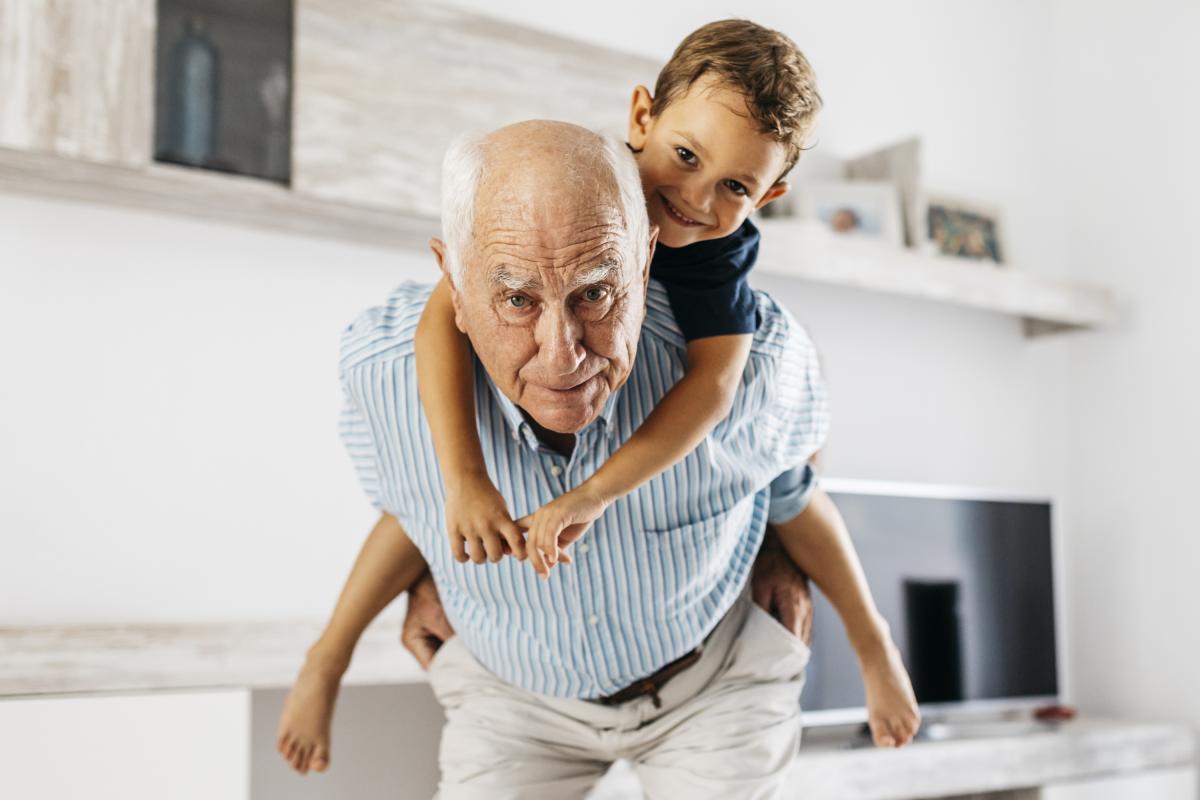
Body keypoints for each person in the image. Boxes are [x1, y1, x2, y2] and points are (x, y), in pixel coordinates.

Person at [277, 120, 918, 798]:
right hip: (514, 700)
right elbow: (408, 514)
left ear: (642, 262)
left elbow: (792, 494)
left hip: (713, 678)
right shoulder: (386, 378)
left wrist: (869, 640)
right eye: (518, 299)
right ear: (455, 285)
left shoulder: (755, 366)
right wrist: (331, 656)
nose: (563, 354)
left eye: (595, 294)